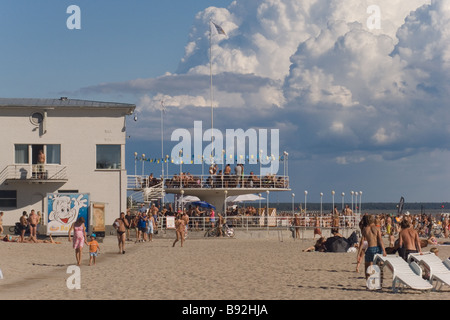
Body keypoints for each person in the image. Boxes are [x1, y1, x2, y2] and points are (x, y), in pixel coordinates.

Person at [357, 214, 386, 279]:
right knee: (379, 267)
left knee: (367, 267)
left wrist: (358, 254)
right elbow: (380, 240)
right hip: (377, 248)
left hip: (370, 248)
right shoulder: (377, 228)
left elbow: (362, 242)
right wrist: (384, 250)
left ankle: (368, 283)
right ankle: (379, 284)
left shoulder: (365, 229)